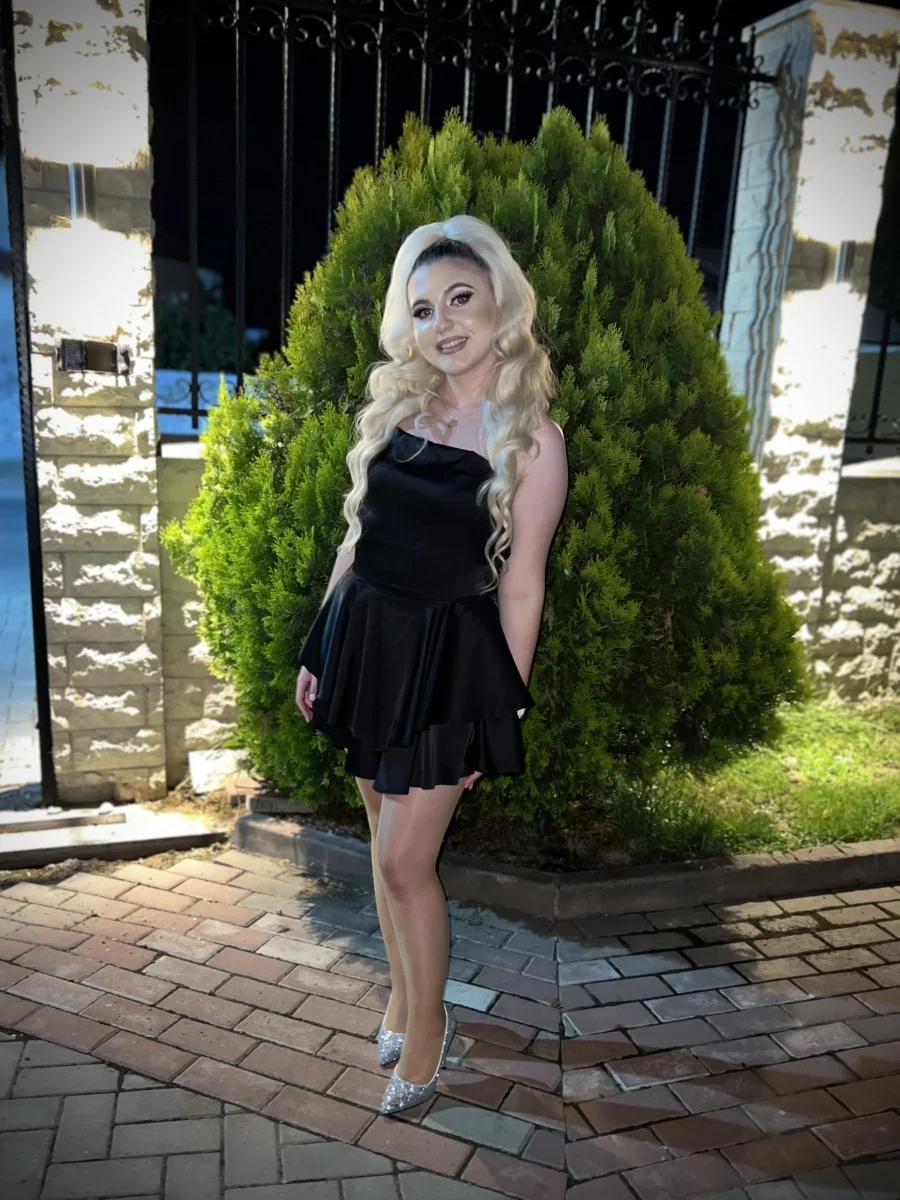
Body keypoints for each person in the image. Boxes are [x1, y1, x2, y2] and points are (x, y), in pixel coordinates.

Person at [295, 213, 568, 1116]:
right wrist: (318, 645)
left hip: (447, 665)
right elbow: (357, 539)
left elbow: (521, 586)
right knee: (383, 849)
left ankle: (429, 1030)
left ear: (500, 305)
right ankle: (402, 1000)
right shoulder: (401, 409)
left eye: (459, 299)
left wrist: (503, 708)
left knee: (409, 861)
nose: (442, 324)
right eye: (423, 309)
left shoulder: (531, 439)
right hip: (366, 644)